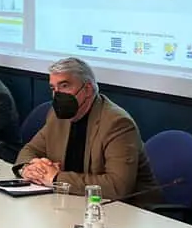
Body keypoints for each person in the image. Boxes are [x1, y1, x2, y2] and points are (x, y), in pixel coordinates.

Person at [14, 57, 158, 202]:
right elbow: (29, 150)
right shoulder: (57, 116)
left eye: (64, 86)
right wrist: (28, 169)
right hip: (75, 200)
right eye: (53, 88)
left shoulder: (117, 123)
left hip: (127, 208)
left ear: (88, 89)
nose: (57, 94)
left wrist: (56, 178)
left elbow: (117, 187)